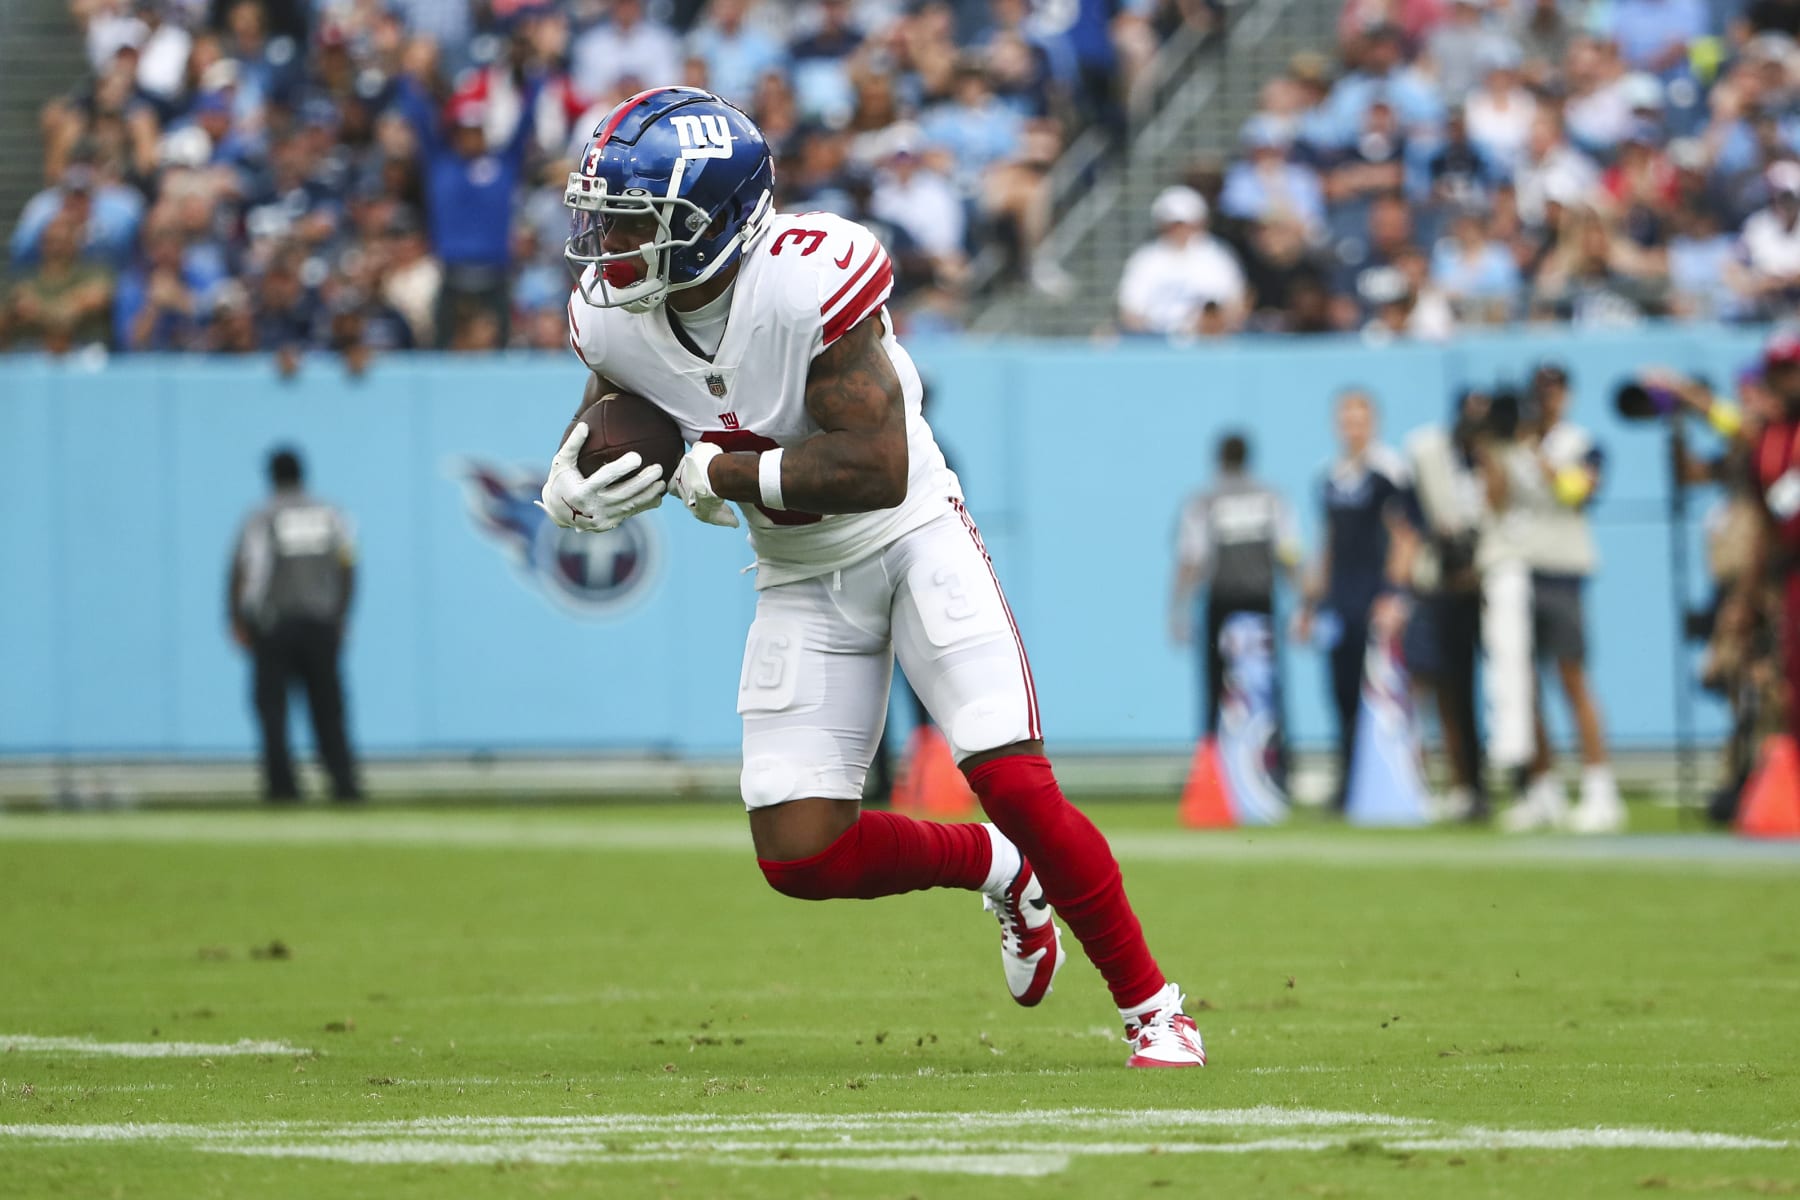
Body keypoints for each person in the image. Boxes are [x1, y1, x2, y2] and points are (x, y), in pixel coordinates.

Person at [544, 87, 1203, 1068]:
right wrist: (568, 476)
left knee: (1009, 774)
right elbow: (613, 403)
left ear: (718, 222)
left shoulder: (810, 277)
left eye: (639, 222)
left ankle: (1154, 1006)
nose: (610, 244)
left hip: (908, 534)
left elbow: (874, 464)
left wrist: (718, 472)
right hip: (800, 573)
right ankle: (996, 871)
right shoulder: (615, 316)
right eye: (606, 218)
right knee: (802, 853)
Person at [1504, 363, 1625, 832]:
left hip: (1563, 572)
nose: (1545, 400)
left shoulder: (1582, 442)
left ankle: (1600, 787)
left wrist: (1536, 452)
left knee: (1572, 678)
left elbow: (1577, 492)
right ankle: (1543, 786)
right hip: (1518, 570)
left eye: (1552, 392)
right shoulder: (1514, 442)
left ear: (1567, 395)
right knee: (1525, 685)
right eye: (1539, 392)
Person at [1297, 391, 1410, 811]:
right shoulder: (1328, 475)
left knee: (1380, 693)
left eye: (1360, 418)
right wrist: (1310, 603)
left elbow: (1403, 534)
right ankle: (1349, 782)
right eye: (1346, 418)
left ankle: (1389, 780)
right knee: (1340, 692)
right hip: (1339, 598)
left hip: (1374, 594)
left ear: (1373, 422)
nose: (1352, 426)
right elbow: (1325, 541)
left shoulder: (1389, 470)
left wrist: (1394, 593)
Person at [228, 447, 360, 804]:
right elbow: (348, 566)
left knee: (273, 710)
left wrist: (239, 620)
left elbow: (247, 571)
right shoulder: (330, 514)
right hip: (321, 623)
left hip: (276, 625)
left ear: (271, 476)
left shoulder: (262, 517)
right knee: (329, 708)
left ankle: (282, 787)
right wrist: (341, 615)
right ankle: (344, 782)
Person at [1169, 433, 1300, 751]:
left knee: (1216, 684)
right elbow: (1289, 553)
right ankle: (1275, 763)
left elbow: (1191, 560)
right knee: (1267, 684)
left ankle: (1213, 764)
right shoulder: (1271, 498)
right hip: (1260, 604)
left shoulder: (1205, 501)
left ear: (1218, 460)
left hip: (1222, 604)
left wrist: (1178, 611)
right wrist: (1303, 605)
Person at [1116, 186, 1246, 336]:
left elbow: (1234, 305)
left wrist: (1210, 325)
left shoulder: (1218, 257)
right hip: (1156, 342)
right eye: (1174, 225)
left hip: (1208, 342)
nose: (1180, 231)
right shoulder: (1146, 259)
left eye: (1186, 224)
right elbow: (1130, 310)